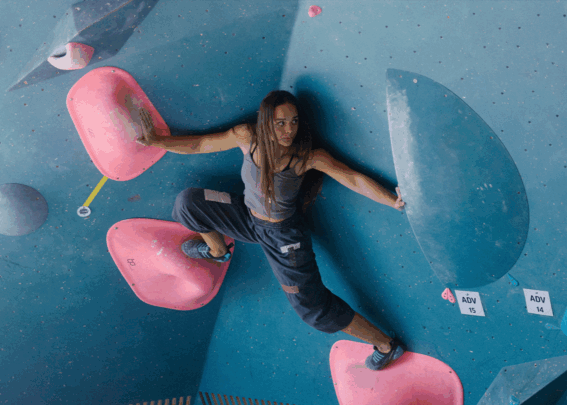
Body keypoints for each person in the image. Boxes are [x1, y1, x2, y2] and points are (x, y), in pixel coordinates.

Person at [137, 90, 406, 370]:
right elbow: (200, 144)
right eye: (280, 123)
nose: (288, 129)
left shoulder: (307, 158)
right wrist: (158, 141)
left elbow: (353, 178)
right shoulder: (246, 136)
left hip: (283, 236)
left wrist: (393, 200)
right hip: (246, 217)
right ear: (266, 122)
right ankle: (218, 251)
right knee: (188, 203)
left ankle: (387, 345)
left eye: (293, 121)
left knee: (312, 308)